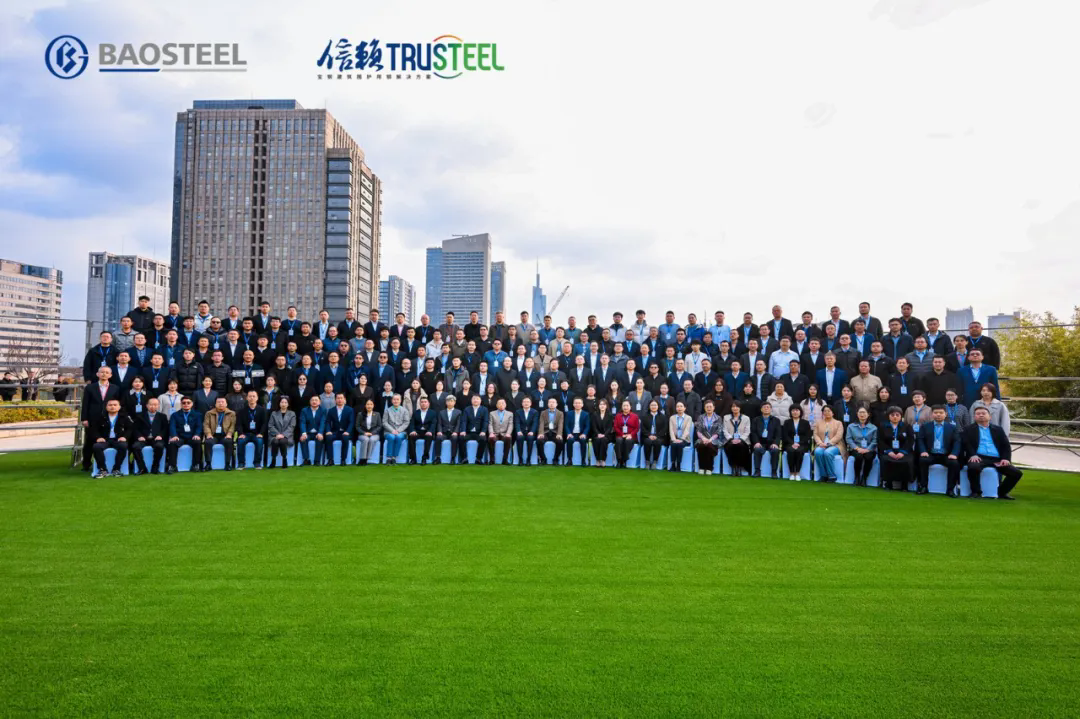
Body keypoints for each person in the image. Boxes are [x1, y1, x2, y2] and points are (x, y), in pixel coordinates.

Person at [962, 406, 1022, 500]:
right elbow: (966, 444)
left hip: (996, 459)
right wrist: (973, 455)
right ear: (974, 417)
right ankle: (976, 492)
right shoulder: (968, 429)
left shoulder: (998, 429)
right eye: (978, 414)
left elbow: (1005, 445)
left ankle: (1001, 492)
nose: (981, 415)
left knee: (1016, 473)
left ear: (989, 416)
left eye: (983, 413)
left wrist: (1005, 458)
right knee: (973, 467)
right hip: (979, 457)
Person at [917, 405, 962, 496]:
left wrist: (954, 454)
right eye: (936, 413)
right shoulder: (925, 426)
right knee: (922, 461)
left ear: (945, 414)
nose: (938, 415)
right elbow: (920, 439)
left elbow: (957, 442)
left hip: (946, 454)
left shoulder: (952, 427)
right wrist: (923, 451)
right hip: (930, 454)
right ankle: (923, 487)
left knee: (954, 463)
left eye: (941, 413)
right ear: (932, 414)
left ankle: (950, 489)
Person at [91, 398, 131, 478]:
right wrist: (98, 437)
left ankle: (116, 469)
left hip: (118, 440)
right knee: (96, 446)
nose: (112, 407)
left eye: (115, 405)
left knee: (123, 446)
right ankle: (103, 470)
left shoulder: (124, 417)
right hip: (105, 440)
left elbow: (130, 429)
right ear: (106, 407)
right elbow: (93, 429)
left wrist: (125, 437)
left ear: (119, 407)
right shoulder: (101, 417)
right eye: (110, 405)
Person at [878, 406, 914, 491]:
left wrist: (902, 452)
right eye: (892, 415)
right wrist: (889, 451)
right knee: (886, 460)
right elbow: (880, 441)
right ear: (888, 416)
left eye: (897, 415)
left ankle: (904, 484)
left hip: (903, 451)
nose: (895, 417)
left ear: (901, 416)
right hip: (888, 451)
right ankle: (888, 483)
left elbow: (910, 440)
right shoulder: (883, 426)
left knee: (907, 461)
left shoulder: (907, 426)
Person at [167, 395, 204, 474]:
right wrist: (174, 435)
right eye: (184, 403)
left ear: (192, 404)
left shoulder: (197, 415)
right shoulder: (175, 415)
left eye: (188, 402)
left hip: (192, 437)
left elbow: (199, 426)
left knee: (197, 442)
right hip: (180, 437)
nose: (186, 404)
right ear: (181, 404)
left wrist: (197, 434)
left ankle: (196, 465)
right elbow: (172, 426)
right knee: (172, 443)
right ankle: (172, 466)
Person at [812, 405, 845, 482]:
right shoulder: (818, 423)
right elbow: (815, 434)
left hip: (835, 445)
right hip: (821, 445)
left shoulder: (838, 423)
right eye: (825, 411)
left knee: (828, 452)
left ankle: (832, 476)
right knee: (818, 452)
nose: (826, 412)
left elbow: (839, 436)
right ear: (822, 413)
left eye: (829, 411)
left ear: (833, 413)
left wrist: (829, 443)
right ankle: (823, 475)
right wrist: (820, 443)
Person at [202, 397, 236, 472]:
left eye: (222, 402)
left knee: (229, 442)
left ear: (226, 404)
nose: (221, 404)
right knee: (208, 442)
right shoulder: (209, 413)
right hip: (213, 435)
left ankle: (228, 464)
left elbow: (233, 425)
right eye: (218, 402)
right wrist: (208, 434)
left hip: (225, 435)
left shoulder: (231, 413)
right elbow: (206, 425)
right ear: (215, 404)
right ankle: (208, 464)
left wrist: (229, 434)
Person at [846, 406, 877, 487]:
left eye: (864, 412)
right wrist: (857, 448)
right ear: (857, 414)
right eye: (860, 412)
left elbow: (874, 441)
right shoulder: (851, 426)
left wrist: (867, 449)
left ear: (868, 414)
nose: (862, 414)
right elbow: (848, 439)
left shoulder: (873, 428)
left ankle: (864, 478)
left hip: (869, 449)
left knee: (869, 457)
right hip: (856, 448)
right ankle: (857, 477)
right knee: (858, 457)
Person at [236, 390, 267, 470]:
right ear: (247, 398)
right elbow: (239, 424)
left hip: (257, 434)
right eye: (250, 396)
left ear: (257, 398)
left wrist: (261, 433)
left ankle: (257, 463)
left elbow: (264, 423)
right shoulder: (242, 411)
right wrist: (241, 433)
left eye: (254, 396)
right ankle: (241, 463)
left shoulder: (262, 410)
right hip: (245, 433)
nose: (252, 398)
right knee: (240, 441)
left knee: (259, 441)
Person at [751, 401, 781, 478]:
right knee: (757, 449)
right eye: (764, 407)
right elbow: (753, 432)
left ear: (771, 409)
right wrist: (756, 442)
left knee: (775, 451)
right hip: (760, 442)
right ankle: (757, 471)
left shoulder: (776, 420)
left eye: (768, 407)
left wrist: (775, 443)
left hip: (771, 442)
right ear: (761, 409)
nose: (766, 408)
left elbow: (778, 434)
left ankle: (774, 472)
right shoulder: (756, 420)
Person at [782, 405, 811, 481]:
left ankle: (797, 473)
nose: (795, 412)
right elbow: (785, 435)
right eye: (793, 410)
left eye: (797, 410)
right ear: (790, 412)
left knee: (799, 451)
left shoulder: (805, 423)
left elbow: (807, 436)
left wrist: (799, 443)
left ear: (800, 412)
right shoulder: (787, 422)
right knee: (791, 451)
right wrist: (792, 443)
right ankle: (792, 473)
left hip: (802, 444)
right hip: (789, 443)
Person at [324, 392, 355, 466]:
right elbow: (327, 422)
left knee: (345, 438)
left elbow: (351, 422)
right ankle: (330, 460)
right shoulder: (331, 410)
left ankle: (343, 460)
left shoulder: (350, 410)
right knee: (328, 437)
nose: (340, 400)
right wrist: (328, 431)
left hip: (345, 432)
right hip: (335, 432)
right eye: (338, 398)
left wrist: (348, 431)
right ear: (335, 400)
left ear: (344, 399)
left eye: (341, 398)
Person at [693, 399, 723, 475]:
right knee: (701, 446)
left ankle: (709, 468)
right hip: (702, 439)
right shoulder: (701, 417)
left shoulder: (718, 418)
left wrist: (710, 439)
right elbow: (698, 430)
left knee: (709, 445)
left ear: (714, 407)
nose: (709, 408)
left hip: (714, 440)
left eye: (710, 406)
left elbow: (718, 431)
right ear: (704, 408)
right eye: (707, 407)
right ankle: (702, 467)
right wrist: (703, 438)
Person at [723, 401, 752, 476]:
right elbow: (725, 430)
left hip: (743, 441)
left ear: (740, 408)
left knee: (740, 446)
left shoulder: (746, 418)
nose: (735, 408)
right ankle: (733, 467)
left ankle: (739, 467)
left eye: (737, 406)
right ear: (731, 408)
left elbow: (747, 431)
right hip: (729, 440)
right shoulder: (726, 417)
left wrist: (740, 439)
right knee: (731, 446)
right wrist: (731, 439)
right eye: (733, 406)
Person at [460, 393, 490, 465]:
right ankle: (464, 458)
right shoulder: (467, 409)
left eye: (477, 399)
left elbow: (485, 421)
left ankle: (478, 459)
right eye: (474, 399)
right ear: (471, 400)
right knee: (461, 438)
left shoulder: (484, 409)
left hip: (479, 432)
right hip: (468, 432)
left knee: (483, 439)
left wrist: (483, 431)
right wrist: (463, 430)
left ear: (480, 400)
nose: (475, 400)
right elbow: (464, 421)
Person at [267, 396, 296, 469]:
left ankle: (284, 459)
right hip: (275, 435)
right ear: (279, 403)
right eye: (282, 402)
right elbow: (270, 425)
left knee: (283, 441)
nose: (283, 404)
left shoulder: (292, 414)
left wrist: (283, 435)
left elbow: (291, 426)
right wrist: (277, 434)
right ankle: (273, 460)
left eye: (285, 402)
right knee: (275, 441)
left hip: (287, 436)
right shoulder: (274, 413)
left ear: (288, 404)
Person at [298, 395, 327, 466]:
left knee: (319, 439)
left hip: (318, 432)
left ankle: (317, 460)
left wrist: (320, 433)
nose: (314, 402)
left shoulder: (323, 410)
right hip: (308, 433)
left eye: (316, 400)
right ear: (310, 402)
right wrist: (304, 433)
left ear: (319, 402)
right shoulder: (304, 410)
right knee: (303, 439)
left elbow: (323, 422)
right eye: (312, 400)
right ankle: (306, 459)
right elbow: (302, 422)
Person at [563, 397, 591, 467]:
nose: (577, 404)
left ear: (582, 404)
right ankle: (569, 460)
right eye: (576, 403)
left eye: (579, 403)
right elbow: (566, 425)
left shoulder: (586, 414)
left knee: (583, 441)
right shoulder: (569, 413)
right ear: (573, 404)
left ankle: (583, 460)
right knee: (569, 440)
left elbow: (587, 426)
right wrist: (569, 433)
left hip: (581, 434)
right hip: (572, 434)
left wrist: (584, 434)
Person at [639, 399, 667, 469]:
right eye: (652, 405)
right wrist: (649, 435)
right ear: (649, 406)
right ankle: (647, 461)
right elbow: (642, 428)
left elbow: (664, 428)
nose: (653, 407)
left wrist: (656, 436)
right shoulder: (645, 416)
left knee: (657, 442)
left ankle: (655, 461)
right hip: (647, 436)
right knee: (647, 441)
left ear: (658, 406)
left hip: (659, 437)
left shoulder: (663, 417)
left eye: (655, 405)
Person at [355, 398, 382, 466]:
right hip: (363, 434)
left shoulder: (377, 414)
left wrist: (372, 433)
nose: (369, 406)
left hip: (374, 434)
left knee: (372, 439)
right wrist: (364, 433)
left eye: (371, 404)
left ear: (373, 405)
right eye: (367, 404)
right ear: (365, 405)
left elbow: (379, 426)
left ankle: (366, 459)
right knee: (366, 439)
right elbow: (357, 426)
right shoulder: (360, 414)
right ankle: (362, 459)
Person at [613, 399, 639, 469]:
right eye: (624, 406)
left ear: (630, 407)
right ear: (621, 407)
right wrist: (622, 434)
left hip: (631, 436)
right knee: (619, 441)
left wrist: (630, 435)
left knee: (628, 441)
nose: (625, 407)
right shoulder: (618, 416)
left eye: (627, 405)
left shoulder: (635, 416)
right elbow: (615, 427)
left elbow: (637, 428)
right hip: (620, 435)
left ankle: (624, 461)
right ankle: (619, 460)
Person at [591, 397, 613, 467]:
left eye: (604, 404)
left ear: (606, 406)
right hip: (596, 434)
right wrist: (598, 434)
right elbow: (594, 426)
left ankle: (602, 460)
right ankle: (597, 459)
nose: (602, 406)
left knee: (603, 440)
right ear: (598, 406)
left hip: (607, 435)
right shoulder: (594, 414)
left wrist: (604, 434)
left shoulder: (610, 415)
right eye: (600, 404)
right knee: (597, 440)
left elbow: (610, 427)